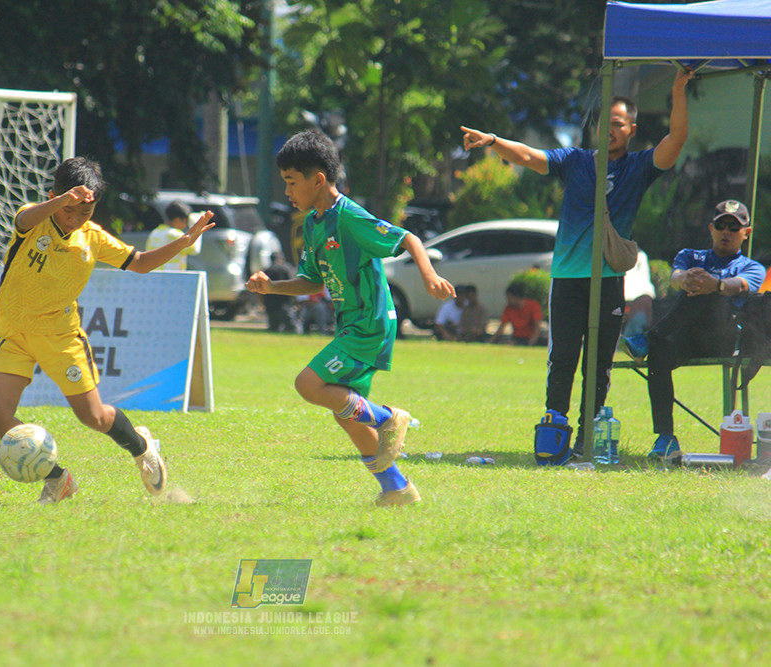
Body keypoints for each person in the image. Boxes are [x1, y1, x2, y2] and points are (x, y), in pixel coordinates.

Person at [461, 67, 693, 452]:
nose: (611, 129)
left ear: (631, 130)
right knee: (564, 355)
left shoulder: (638, 168)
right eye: (606, 123)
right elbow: (530, 156)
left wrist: (678, 91)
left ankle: (589, 435)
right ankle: (554, 428)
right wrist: (493, 141)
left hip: (607, 279)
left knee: (599, 363)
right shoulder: (575, 161)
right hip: (568, 276)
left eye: (619, 124)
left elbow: (677, 138)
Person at [0, 157, 215, 503]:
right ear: (54, 197)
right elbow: (24, 218)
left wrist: (182, 243)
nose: (75, 219)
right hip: (12, 331)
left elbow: (139, 263)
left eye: (84, 213)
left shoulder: (93, 238)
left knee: (93, 416)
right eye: (68, 210)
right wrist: (60, 202)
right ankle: (58, 479)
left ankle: (142, 446)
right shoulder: (35, 219)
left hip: (61, 337)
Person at [246, 130, 454, 506]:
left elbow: (407, 238)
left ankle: (389, 417)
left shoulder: (348, 216)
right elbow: (312, 280)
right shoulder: (314, 223)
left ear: (318, 180)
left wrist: (429, 276)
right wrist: (271, 288)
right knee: (346, 413)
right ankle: (397, 489)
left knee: (308, 384)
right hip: (353, 324)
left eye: (291, 183)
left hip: (370, 323)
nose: (287, 192)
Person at [620, 200, 766, 461]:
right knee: (660, 353)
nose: (726, 232)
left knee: (707, 289)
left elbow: (742, 285)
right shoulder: (690, 255)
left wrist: (716, 285)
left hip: (725, 337)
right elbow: (676, 278)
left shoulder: (752, 266)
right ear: (711, 228)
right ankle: (666, 437)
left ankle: (648, 338)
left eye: (734, 227)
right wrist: (685, 279)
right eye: (721, 225)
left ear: (747, 232)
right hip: (686, 336)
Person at [145, 199, 203, 271]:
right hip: (172, 278)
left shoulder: (155, 232)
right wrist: (198, 226)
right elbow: (194, 250)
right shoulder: (174, 234)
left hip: (155, 277)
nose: (185, 226)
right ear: (177, 219)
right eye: (185, 222)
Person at [262, 251, 299, 332]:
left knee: (273, 328)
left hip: (270, 303)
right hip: (285, 302)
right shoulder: (287, 268)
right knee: (291, 328)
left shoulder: (266, 271)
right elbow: (293, 285)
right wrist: (295, 301)